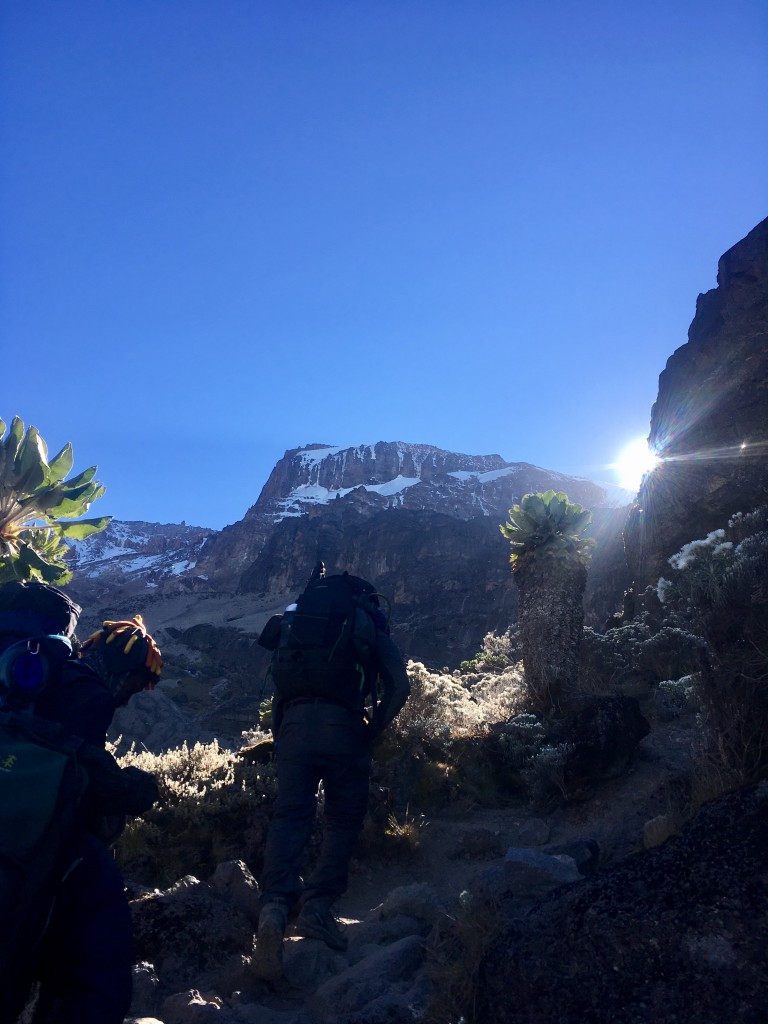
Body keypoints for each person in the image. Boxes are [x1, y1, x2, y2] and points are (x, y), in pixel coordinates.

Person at [0, 581, 162, 1024]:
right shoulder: (86, 691)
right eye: (137, 682)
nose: (130, 696)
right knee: (97, 944)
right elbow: (70, 776)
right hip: (26, 840)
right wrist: (126, 788)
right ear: (123, 669)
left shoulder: (35, 673)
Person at [253, 564, 410, 981]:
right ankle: (318, 909)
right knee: (342, 818)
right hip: (343, 728)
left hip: (294, 726)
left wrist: (281, 735)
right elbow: (400, 685)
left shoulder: (301, 624)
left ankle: (273, 907)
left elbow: (280, 687)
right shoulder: (365, 624)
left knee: (290, 814)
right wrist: (374, 729)